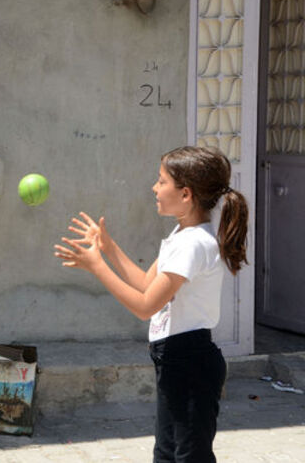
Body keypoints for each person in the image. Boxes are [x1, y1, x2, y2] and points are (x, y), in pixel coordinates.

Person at [54, 145, 249, 463]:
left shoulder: (193, 243)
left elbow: (146, 305)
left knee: (188, 456)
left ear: (185, 194)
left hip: (191, 361)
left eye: (161, 181)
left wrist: (97, 266)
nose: (154, 188)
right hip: (175, 360)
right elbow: (147, 284)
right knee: (167, 453)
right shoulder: (182, 234)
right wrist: (108, 247)